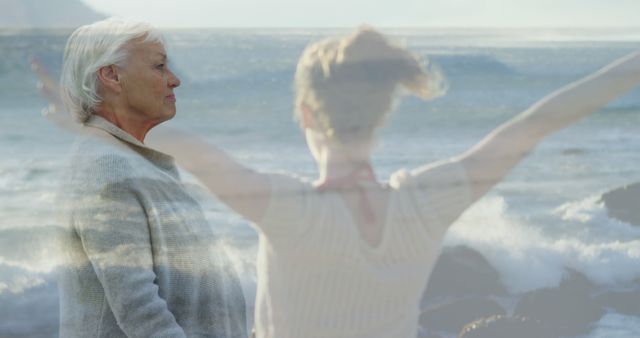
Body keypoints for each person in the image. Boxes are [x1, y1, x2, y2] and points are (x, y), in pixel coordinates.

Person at [51, 18, 247, 338]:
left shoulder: (123, 161)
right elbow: (140, 311)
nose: (174, 80)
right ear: (112, 75)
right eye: (159, 67)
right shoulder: (108, 169)